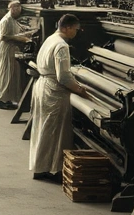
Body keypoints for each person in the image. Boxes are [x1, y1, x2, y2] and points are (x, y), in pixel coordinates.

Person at [29, 14, 92, 182]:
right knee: (54, 131)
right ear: (66, 28)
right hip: (54, 91)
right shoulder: (61, 45)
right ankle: (52, 169)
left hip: (43, 85)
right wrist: (80, 90)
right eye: (75, 29)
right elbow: (63, 77)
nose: (76, 33)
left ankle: (40, 166)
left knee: (43, 128)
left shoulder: (51, 39)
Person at [0, 0, 35, 110]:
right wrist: (24, 38)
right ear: (13, 8)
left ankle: (8, 99)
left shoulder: (12, 19)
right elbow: (4, 36)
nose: (19, 12)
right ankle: (1, 99)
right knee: (6, 74)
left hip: (12, 48)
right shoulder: (6, 20)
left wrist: (27, 32)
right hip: (7, 48)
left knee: (11, 75)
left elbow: (17, 30)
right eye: (18, 9)